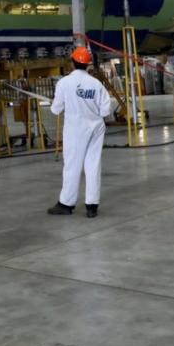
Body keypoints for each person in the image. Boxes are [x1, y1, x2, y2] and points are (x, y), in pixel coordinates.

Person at [48, 46, 112, 218]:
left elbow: (56, 110)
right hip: (96, 127)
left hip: (76, 129)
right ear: (87, 64)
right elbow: (106, 110)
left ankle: (66, 204)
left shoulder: (64, 83)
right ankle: (92, 206)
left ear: (73, 62)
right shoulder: (96, 83)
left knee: (72, 165)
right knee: (93, 164)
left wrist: (58, 102)